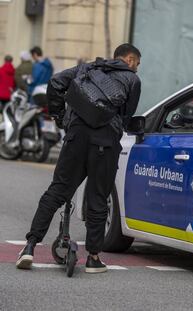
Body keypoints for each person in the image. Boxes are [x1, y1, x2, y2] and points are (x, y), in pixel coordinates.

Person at [16, 43, 141, 273]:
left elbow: (54, 83)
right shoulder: (132, 79)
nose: (137, 68)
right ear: (130, 60)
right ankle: (93, 258)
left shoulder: (86, 68)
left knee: (57, 191)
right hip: (105, 143)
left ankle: (30, 247)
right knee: (97, 198)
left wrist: (60, 116)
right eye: (137, 63)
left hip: (76, 138)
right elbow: (127, 115)